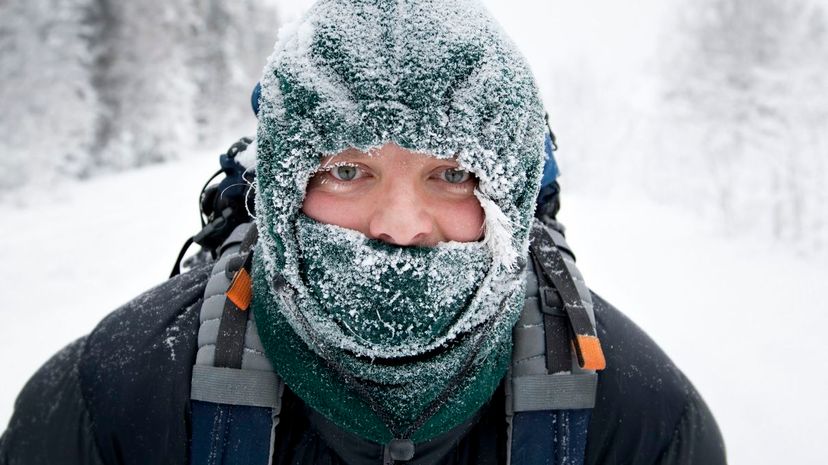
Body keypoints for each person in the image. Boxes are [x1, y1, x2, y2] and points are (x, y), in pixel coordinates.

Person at [0, 0, 726, 464]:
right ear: (282, 186)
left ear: (510, 193)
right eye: (348, 171)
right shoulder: (115, 399)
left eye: (453, 176)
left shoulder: (643, 425)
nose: (399, 226)